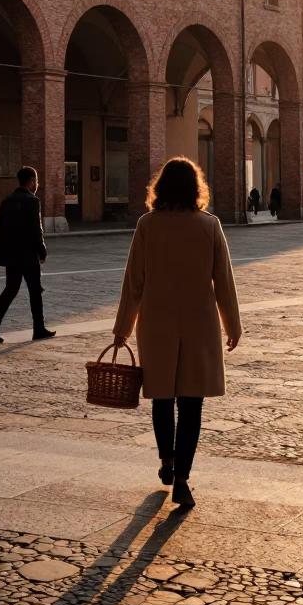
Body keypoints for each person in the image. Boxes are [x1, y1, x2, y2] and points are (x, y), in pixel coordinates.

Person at [112, 157, 241, 508]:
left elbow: (133, 284)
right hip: (199, 322)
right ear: (196, 189)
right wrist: (233, 325)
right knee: (192, 401)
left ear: (161, 188)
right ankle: (183, 476)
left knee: (161, 396)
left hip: (157, 322)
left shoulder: (147, 225)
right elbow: (224, 282)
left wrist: (122, 329)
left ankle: (166, 461)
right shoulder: (209, 225)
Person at [0, 166, 56, 344]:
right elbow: (35, 229)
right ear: (31, 181)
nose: (37, 184)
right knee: (35, 291)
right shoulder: (33, 201)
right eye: (36, 181)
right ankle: (38, 329)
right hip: (28, 254)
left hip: (11, 254)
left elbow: (0, 228)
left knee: (10, 289)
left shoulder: (7, 200)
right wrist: (42, 250)